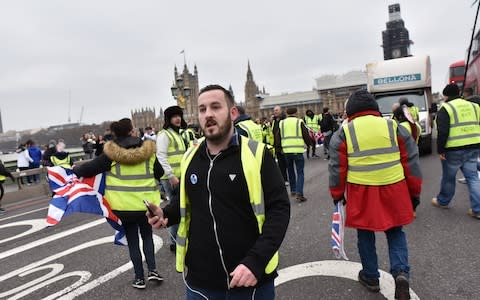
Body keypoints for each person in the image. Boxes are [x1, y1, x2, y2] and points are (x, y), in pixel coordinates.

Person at [147, 84, 290, 300]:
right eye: (203, 109)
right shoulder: (191, 156)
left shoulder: (257, 154)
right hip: (200, 282)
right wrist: (166, 214)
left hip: (248, 278)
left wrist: (256, 261)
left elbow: (279, 209)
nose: (208, 114)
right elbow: (186, 199)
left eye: (216, 107)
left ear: (232, 113)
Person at [328, 89, 422, 299]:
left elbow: (337, 168)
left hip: (361, 192)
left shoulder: (344, 132)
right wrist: (414, 193)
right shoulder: (393, 126)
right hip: (394, 188)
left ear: (350, 110)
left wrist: (337, 195)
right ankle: (400, 273)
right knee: (396, 232)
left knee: (365, 234)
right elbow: (411, 162)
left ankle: (370, 276)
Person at [73, 118, 164, 289]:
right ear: (132, 131)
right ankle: (153, 270)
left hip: (123, 208)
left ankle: (139, 278)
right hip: (146, 206)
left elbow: (88, 169)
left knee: (133, 241)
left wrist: (73, 170)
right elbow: (159, 173)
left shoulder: (110, 155)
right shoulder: (149, 152)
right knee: (147, 237)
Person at [432, 83, 480, 220]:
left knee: (449, 177)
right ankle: (477, 209)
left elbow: (443, 131)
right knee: (473, 177)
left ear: (446, 95)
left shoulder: (445, 108)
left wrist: (440, 150)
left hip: (454, 149)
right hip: (474, 145)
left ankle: (443, 201)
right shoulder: (474, 106)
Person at [156, 105, 188, 252]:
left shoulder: (178, 134)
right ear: (168, 119)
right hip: (171, 179)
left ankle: (180, 238)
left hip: (180, 176)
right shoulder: (165, 135)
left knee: (181, 207)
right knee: (176, 209)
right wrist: (171, 175)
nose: (178, 118)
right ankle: (175, 241)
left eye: (179, 115)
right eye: (174, 116)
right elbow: (161, 155)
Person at [277, 107, 311, 202]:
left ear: (287, 113)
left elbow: (278, 136)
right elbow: (305, 134)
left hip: (286, 151)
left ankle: (293, 190)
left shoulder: (282, 123)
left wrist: (279, 148)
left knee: (290, 170)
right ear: (296, 113)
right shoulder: (299, 122)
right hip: (297, 150)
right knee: (300, 172)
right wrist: (309, 144)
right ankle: (299, 193)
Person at [272, 105, 289, 185]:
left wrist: (283, 145)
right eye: (274, 110)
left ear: (281, 111)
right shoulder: (274, 121)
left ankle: (289, 179)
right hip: (276, 146)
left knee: (287, 164)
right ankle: (284, 179)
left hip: (284, 145)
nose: (275, 112)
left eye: (277, 110)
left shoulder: (285, 120)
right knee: (281, 164)